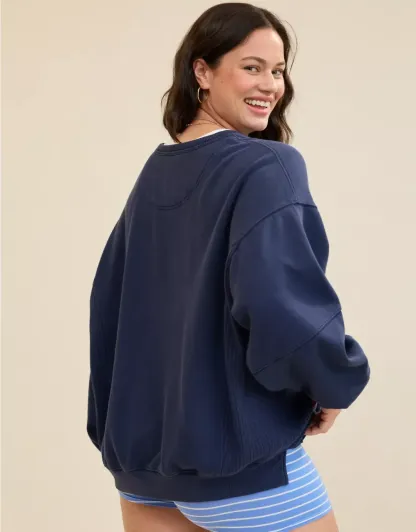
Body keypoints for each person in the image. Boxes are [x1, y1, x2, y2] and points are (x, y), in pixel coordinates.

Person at [87, 3, 370, 531]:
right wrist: (332, 381)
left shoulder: (156, 172)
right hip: (237, 472)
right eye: (251, 66)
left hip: (142, 470)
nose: (270, 85)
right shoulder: (267, 164)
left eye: (278, 70)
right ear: (202, 71)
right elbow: (278, 304)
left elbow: (109, 308)